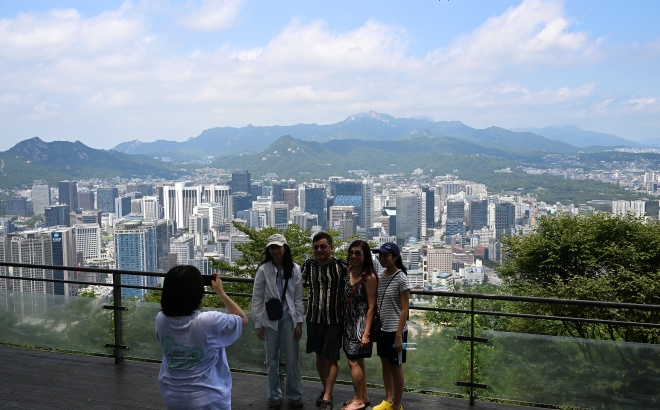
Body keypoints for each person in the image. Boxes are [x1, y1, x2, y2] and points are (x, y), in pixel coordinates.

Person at [155, 265, 248, 410]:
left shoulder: (161, 319)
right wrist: (220, 292)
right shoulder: (208, 320)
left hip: (172, 395)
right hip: (208, 397)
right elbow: (242, 319)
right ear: (196, 291)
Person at [252, 234, 305, 409]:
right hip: (270, 320)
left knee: (292, 359)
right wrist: (258, 323)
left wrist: (299, 322)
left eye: (278, 247)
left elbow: (298, 298)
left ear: (285, 248)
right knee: (271, 360)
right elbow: (257, 298)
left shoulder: (295, 269)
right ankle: (273, 395)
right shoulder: (263, 270)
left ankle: (294, 394)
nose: (275, 251)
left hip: (289, 318)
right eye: (272, 248)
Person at [303, 232, 348, 410]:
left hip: (334, 319)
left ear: (331, 248)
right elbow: (293, 282)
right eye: (316, 247)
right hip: (313, 317)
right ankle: (326, 388)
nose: (319, 250)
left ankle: (327, 395)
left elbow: (362, 274)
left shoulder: (341, 265)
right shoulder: (308, 265)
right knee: (319, 356)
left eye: (323, 246)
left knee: (332, 357)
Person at [371, 243, 411, 410]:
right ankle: (388, 399)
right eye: (380, 256)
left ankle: (397, 405)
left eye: (385, 256)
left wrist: (398, 335)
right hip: (383, 328)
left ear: (395, 257)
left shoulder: (401, 277)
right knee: (385, 364)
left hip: (396, 330)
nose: (382, 259)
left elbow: (405, 308)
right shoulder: (380, 276)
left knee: (396, 368)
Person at [341, 240, 378, 410]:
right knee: (359, 360)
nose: (354, 256)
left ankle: (358, 400)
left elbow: (371, 307)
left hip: (360, 325)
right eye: (352, 252)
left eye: (358, 253)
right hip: (348, 322)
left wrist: (366, 333)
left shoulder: (368, 277)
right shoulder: (348, 270)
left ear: (365, 256)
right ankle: (364, 396)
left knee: (352, 361)